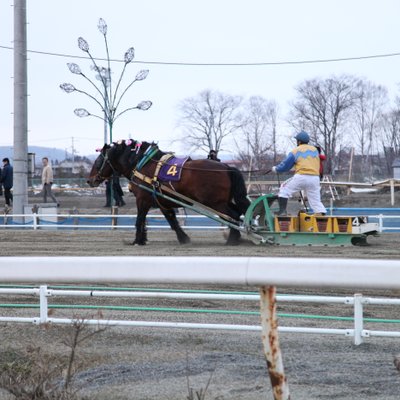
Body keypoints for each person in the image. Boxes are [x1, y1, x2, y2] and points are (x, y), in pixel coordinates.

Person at [272, 131, 326, 216]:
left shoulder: (295, 151)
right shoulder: (315, 150)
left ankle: (282, 212)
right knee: (315, 200)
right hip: (315, 178)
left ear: (299, 141)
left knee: (284, 189)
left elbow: (286, 166)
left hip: (302, 176)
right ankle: (321, 217)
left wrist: (276, 169)